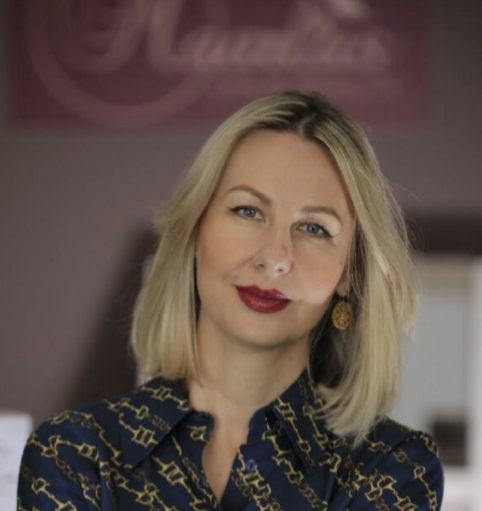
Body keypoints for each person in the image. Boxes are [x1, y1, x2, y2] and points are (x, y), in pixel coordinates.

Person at [17, 90, 444, 510]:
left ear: (349, 272)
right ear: (195, 229)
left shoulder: (395, 468)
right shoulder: (72, 454)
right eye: (248, 211)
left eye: (314, 228)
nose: (274, 258)